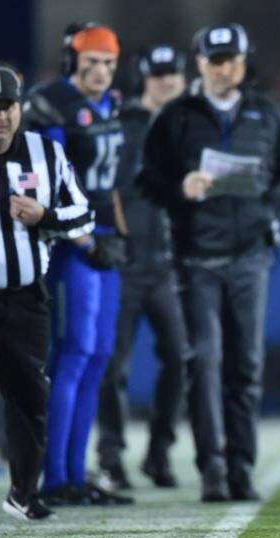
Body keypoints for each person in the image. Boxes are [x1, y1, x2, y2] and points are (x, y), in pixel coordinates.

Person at [139, 23, 280, 502]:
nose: (224, 67)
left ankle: (240, 468)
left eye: (232, 59)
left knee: (246, 366)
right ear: (199, 62)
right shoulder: (177, 116)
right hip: (196, 259)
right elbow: (148, 180)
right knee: (205, 363)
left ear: (244, 61)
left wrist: (269, 209)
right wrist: (179, 189)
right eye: (216, 59)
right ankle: (212, 466)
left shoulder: (266, 114)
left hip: (250, 256)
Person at [24, 22, 132, 506]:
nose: (101, 72)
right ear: (71, 62)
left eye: (108, 63)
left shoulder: (109, 103)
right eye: (91, 62)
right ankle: (55, 476)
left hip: (104, 238)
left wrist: (118, 232)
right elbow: (42, 178)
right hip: (72, 242)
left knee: (97, 358)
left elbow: (107, 182)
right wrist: (83, 236)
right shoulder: (51, 104)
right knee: (73, 355)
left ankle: (75, 471)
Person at [0, 61, 95, 519]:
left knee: (29, 393)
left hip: (24, 293)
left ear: (20, 108)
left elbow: (84, 217)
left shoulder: (45, 153)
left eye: (6, 106)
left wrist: (44, 216)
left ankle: (24, 492)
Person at [96, 44, 190, 491]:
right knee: (114, 365)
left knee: (180, 358)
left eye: (172, 73)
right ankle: (111, 457)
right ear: (145, 79)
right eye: (159, 74)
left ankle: (157, 452)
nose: (166, 80)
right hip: (126, 264)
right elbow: (104, 186)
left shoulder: (192, 125)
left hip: (169, 265)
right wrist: (116, 239)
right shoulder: (122, 124)